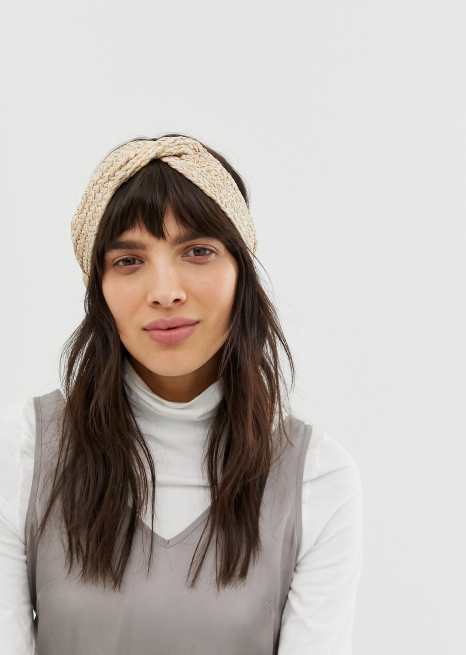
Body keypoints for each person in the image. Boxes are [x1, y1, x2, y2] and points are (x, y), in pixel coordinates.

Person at [0, 133, 363, 654]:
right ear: (98, 289)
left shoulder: (316, 478)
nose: (166, 291)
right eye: (129, 260)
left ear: (241, 273)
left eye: (197, 251)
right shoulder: (22, 453)